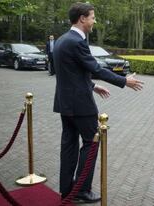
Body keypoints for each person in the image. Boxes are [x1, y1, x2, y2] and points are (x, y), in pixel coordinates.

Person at [53, 2, 144, 203]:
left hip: (65, 103)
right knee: (91, 143)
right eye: (93, 17)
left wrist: (93, 86)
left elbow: (73, 73)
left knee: (68, 145)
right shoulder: (77, 41)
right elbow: (94, 67)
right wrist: (124, 80)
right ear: (82, 18)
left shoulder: (62, 40)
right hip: (80, 105)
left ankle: (67, 190)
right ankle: (82, 190)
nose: (95, 21)